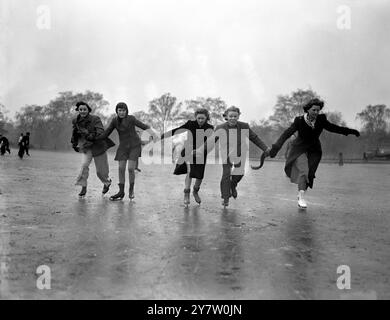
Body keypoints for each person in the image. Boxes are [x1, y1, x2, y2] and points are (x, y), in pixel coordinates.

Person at [269, 98, 360, 209]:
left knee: (310, 174)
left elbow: (333, 128)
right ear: (308, 109)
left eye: (318, 110)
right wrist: (276, 147)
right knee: (304, 170)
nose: (316, 113)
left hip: (314, 150)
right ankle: (301, 197)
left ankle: (301, 193)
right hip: (299, 148)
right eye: (314, 110)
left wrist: (350, 131)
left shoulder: (321, 120)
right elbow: (286, 134)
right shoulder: (299, 120)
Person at [197, 106, 270, 207]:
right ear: (227, 116)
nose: (233, 118)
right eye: (230, 116)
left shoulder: (244, 126)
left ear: (238, 116)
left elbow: (255, 138)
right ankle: (225, 198)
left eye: (235, 116)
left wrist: (265, 148)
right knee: (226, 175)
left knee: (240, 173)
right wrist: (200, 150)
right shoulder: (220, 128)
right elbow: (210, 142)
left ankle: (233, 185)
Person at [94, 102, 156, 201]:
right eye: (120, 110)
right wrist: (95, 139)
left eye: (123, 110)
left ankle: (131, 189)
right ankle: (121, 192)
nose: (122, 112)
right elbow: (106, 133)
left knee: (131, 169)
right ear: (117, 111)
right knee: (121, 168)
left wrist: (153, 135)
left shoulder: (131, 119)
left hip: (134, 146)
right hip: (123, 147)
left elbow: (144, 126)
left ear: (126, 111)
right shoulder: (115, 121)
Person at [160, 108, 214, 206]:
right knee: (190, 171)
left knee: (199, 175)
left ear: (206, 118)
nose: (200, 120)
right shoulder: (190, 124)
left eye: (203, 118)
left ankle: (195, 191)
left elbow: (210, 142)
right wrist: (165, 135)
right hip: (189, 150)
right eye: (199, 118)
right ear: (195, 117)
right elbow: (178, 130)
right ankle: (187, 193)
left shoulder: (210, 127)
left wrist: (201, 150)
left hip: (201, 152)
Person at [71, 101, 115, 198]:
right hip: (86, 147)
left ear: (88, 110)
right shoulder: (75, 121)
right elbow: (75, 132)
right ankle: (83, 186)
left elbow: (100, 131)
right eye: (80, 109)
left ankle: (107, 183)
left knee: (101, 171)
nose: (82, 111)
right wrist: (74, 143)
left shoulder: (95, 119)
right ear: (78, 110)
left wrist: (90, 135)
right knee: (84, 165)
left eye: (84, 109)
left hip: (98, 146)